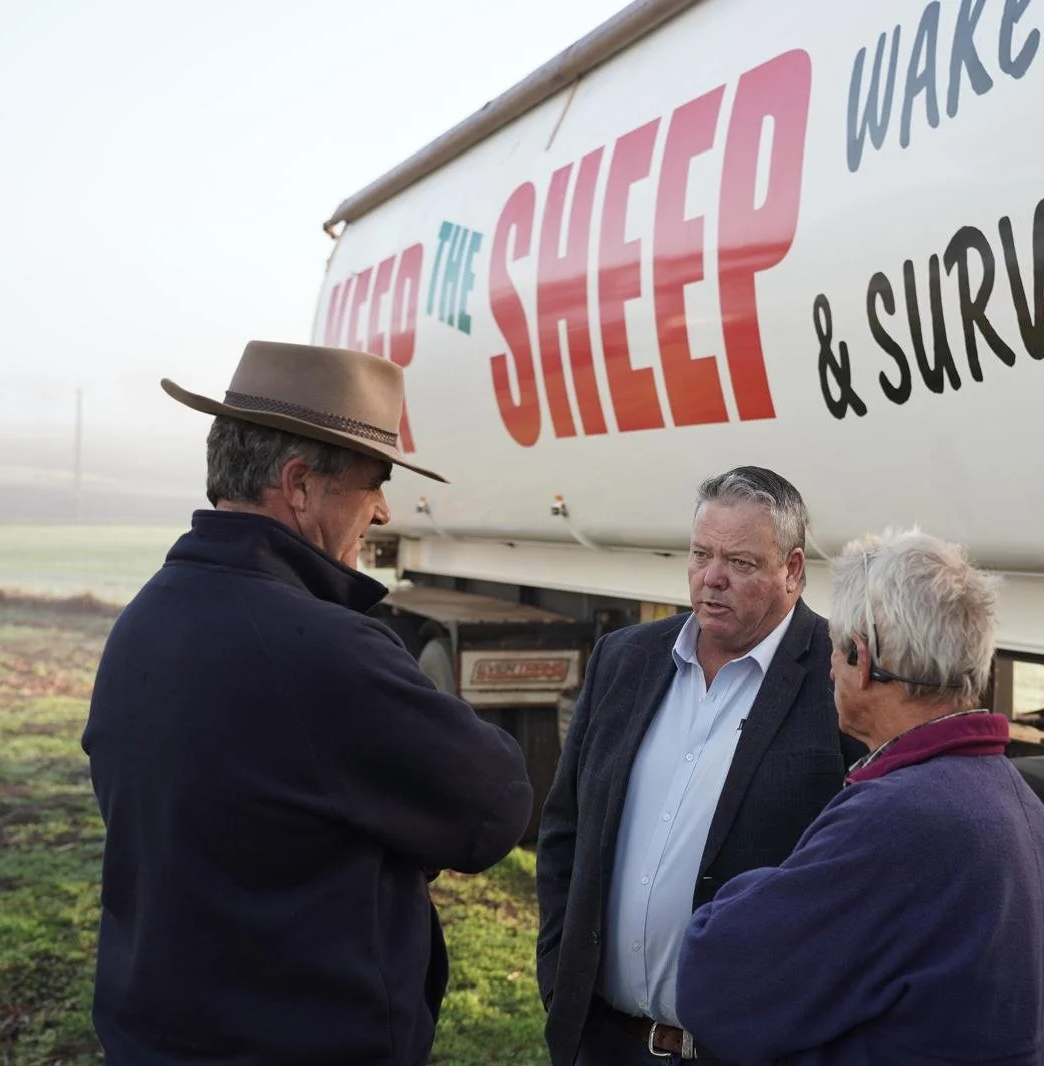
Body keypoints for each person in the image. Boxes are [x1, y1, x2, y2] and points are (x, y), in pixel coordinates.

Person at [81, 340, 533, 1066]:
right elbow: (497, 807)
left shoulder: (143, 621)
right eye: (372, 481)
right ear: (298, 485)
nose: (383, 510)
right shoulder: (325, 649)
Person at [677, 527, 1044, 1066]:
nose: (829, 667)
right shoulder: (1013, 796)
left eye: (835, 647)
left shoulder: (897, 817)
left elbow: (713, 978)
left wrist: (750, 890)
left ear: (861, 658)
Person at [535, 466, 866, 1065]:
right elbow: (565, 832)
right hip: (603, 1041)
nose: (711, 579)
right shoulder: (625, 658)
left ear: (792, 570)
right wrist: (560, 979)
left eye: (740, 563)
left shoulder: (836, 679)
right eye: (700, 554)